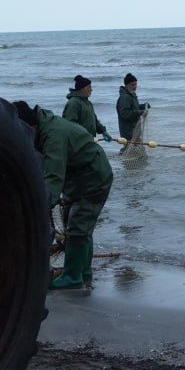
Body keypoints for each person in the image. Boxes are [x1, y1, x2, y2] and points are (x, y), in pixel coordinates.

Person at [14, 101, 113, 290]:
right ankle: (84, 272)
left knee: (78, 226)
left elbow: (53, 177)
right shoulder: (41, 129)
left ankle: (73, 277)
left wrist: (39, 208)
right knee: (77, 227)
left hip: (95, 178)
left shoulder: (54, 135)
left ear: (28, 126)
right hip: (78, 180)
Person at [62, 75, 111, 141]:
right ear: (82, 89)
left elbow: (95, 120)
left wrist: (103, 131)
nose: (91, 90)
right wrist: (84, 135)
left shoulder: (88, 103)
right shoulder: (73, 103)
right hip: (78, 141)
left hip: (89, 139)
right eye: (89, 87)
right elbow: (70, 124)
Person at [115, 72, 149, 141]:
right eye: (132, 85)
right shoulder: (124, 97)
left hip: (135, 129)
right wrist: (140, 112)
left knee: (137, 149)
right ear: (126, 85)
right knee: (134, 149)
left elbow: (134, 108)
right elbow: (125, 113)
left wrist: (143, 106)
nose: (135, 86)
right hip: (128, 132)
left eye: (135, 84)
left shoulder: (132, 95)